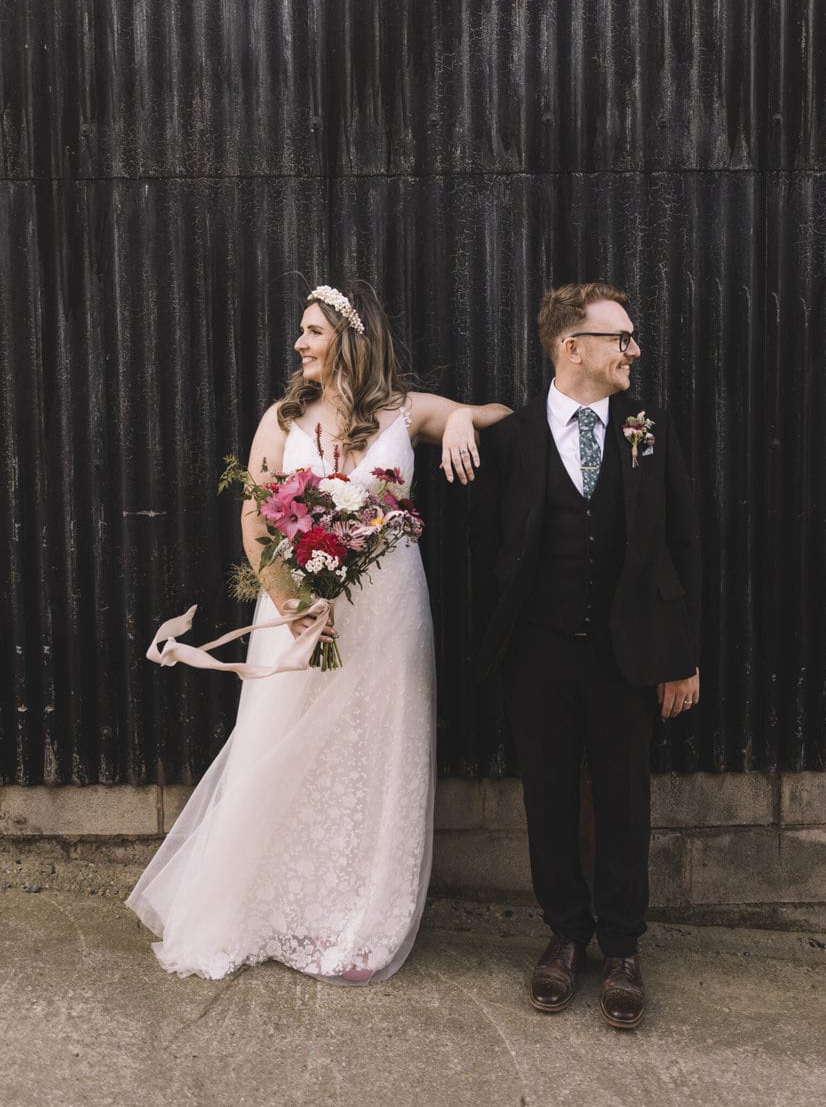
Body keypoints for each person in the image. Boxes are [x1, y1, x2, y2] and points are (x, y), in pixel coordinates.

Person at [127, 280, 509, 983]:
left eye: (313, 331)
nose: (300, 344)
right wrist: (288, 602)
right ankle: (284, 904)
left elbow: (496, 413)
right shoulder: (281, 418)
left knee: (377, 751)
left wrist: (458, 420)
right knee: (284, 748)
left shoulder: (403, 409)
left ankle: (363, 916)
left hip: (391, 608)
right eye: (301, 332)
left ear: (350, 339)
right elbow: (253, 521)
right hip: (298, 609)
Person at [469, 281, 701, 1029]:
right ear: (574, 348)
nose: (634, 350)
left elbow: (683, 550)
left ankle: (625, 947)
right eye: (621, 337)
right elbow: (488, 554)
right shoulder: (510, 439)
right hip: (536, 657)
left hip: (624, 658)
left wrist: (681, 657)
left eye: (632, 338)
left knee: (627, 798)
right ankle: (566, 934)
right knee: (548, 798)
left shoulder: (649, 429)